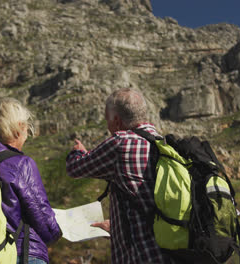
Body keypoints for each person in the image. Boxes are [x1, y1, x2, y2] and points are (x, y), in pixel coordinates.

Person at [66, 88, 171, 264]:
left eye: (107, 120)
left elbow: (75, 168)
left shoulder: (121, 142)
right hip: (172, 253)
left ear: (116, 121)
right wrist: (117, 228)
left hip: (143, 255)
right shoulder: (165, 144)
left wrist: (78, 153)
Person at [0, 97, 61, 264]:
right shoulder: (21, 165)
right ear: (19, 127)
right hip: (23, 254)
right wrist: (59, 232)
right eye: (27, 127)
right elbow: (44, 222)